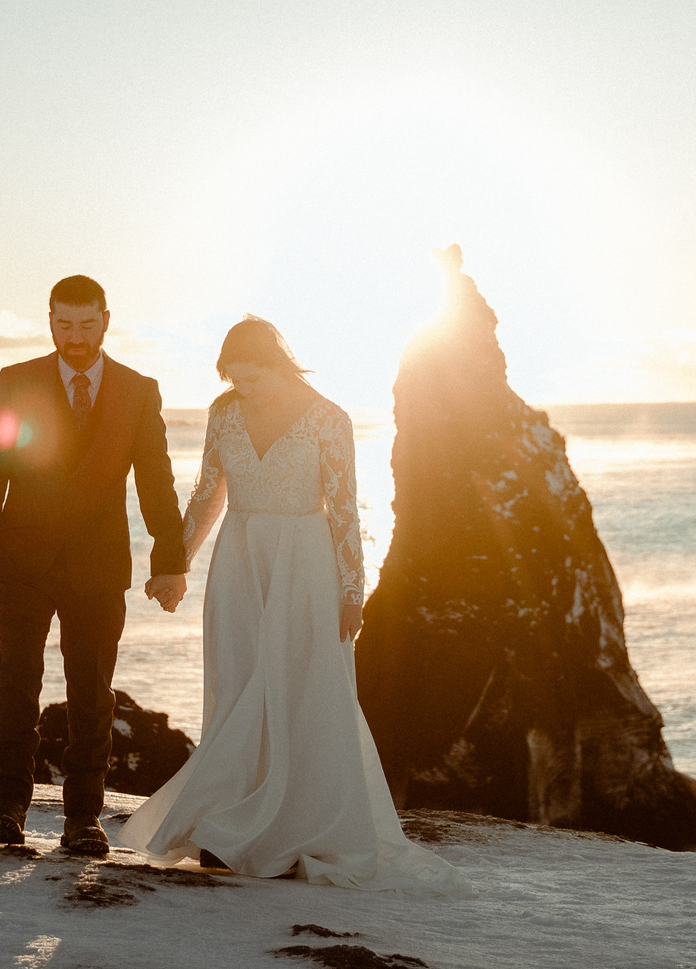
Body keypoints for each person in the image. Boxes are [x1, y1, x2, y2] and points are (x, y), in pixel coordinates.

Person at [119, 317, 467, 893]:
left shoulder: (329, 419)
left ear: (278, 366)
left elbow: (345, 510)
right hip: (239, 563)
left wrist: (352, 593)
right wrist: (175, 565)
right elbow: (208, 494)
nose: (243, 389)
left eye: (252, 378)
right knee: (237, 690)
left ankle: (293, 830)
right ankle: (227, 824)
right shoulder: (223, 413)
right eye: (234, 379)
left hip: (305, 566)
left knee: (301, 693)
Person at [0, 275, 187, 857]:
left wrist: (170, 561)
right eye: (64, 324)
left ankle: (83, 817)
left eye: (86, 325)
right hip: (21, 560)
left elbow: (156, 481)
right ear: (50, 322)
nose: (75, 337)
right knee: (16, 681)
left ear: (106, 321)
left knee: (92, 691)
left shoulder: (138, 391)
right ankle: (8, 806)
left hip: (99, 566)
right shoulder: (16, 382)